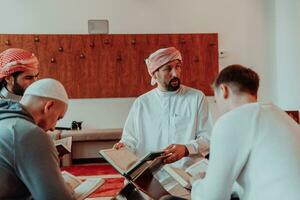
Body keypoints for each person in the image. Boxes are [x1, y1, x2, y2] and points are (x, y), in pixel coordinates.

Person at [191, 65, 300, 200]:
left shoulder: (230, 121)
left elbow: (211, 197)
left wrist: (196, 183)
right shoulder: (279, 115)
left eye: (215, 99)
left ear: (223, 90)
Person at [114, 47, 212, 187]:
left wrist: (186, 149)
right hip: (151, 174)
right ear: (154, 74)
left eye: (178, 67)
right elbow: (130, 140)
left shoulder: (196, 97)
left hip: (186, 174)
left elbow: (208, 138)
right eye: (168, 69)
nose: (175, 73)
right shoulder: (142, 103)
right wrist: (123, 147)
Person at [0, 78, 74, 200]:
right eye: (58, 118)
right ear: (48, 106)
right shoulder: (30, 133)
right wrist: (68, 188)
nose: (53, 128)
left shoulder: (5, 120)